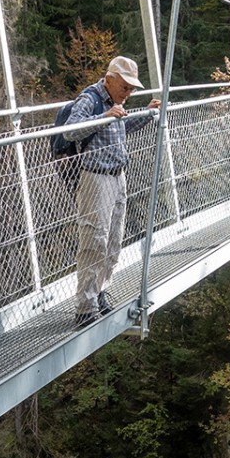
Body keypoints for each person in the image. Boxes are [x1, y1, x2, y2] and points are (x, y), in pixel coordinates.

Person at [60, 56, 162, 327]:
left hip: (118, 178)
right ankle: (85, 307)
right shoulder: (90, 99)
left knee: (114, 241)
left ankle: (100, 293)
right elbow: (70, 131)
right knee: (94, 241)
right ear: (110, 79)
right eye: (125, 87)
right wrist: (104, 116)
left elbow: (120, 129)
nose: (128, 93)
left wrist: (146, 113)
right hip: (95, 179)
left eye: (131, 89)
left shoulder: (117, 103)